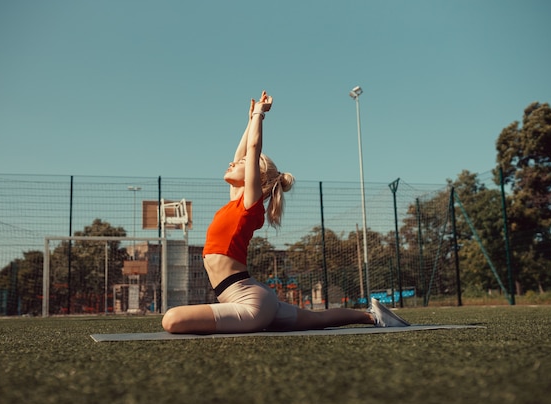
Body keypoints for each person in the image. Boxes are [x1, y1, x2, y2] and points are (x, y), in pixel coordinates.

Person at [162, 91, 409, 334]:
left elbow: (253, 148)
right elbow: (243, 153)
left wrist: (260, 115)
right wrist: (250, 121)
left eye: (241, 165)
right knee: (317, 319)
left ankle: (374, 316)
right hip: (248, 297)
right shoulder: (236, 202)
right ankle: (373, 316)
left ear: (255, 177)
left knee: (171, 320)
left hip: (249, 303)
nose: (232, 163)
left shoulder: (250, 206)